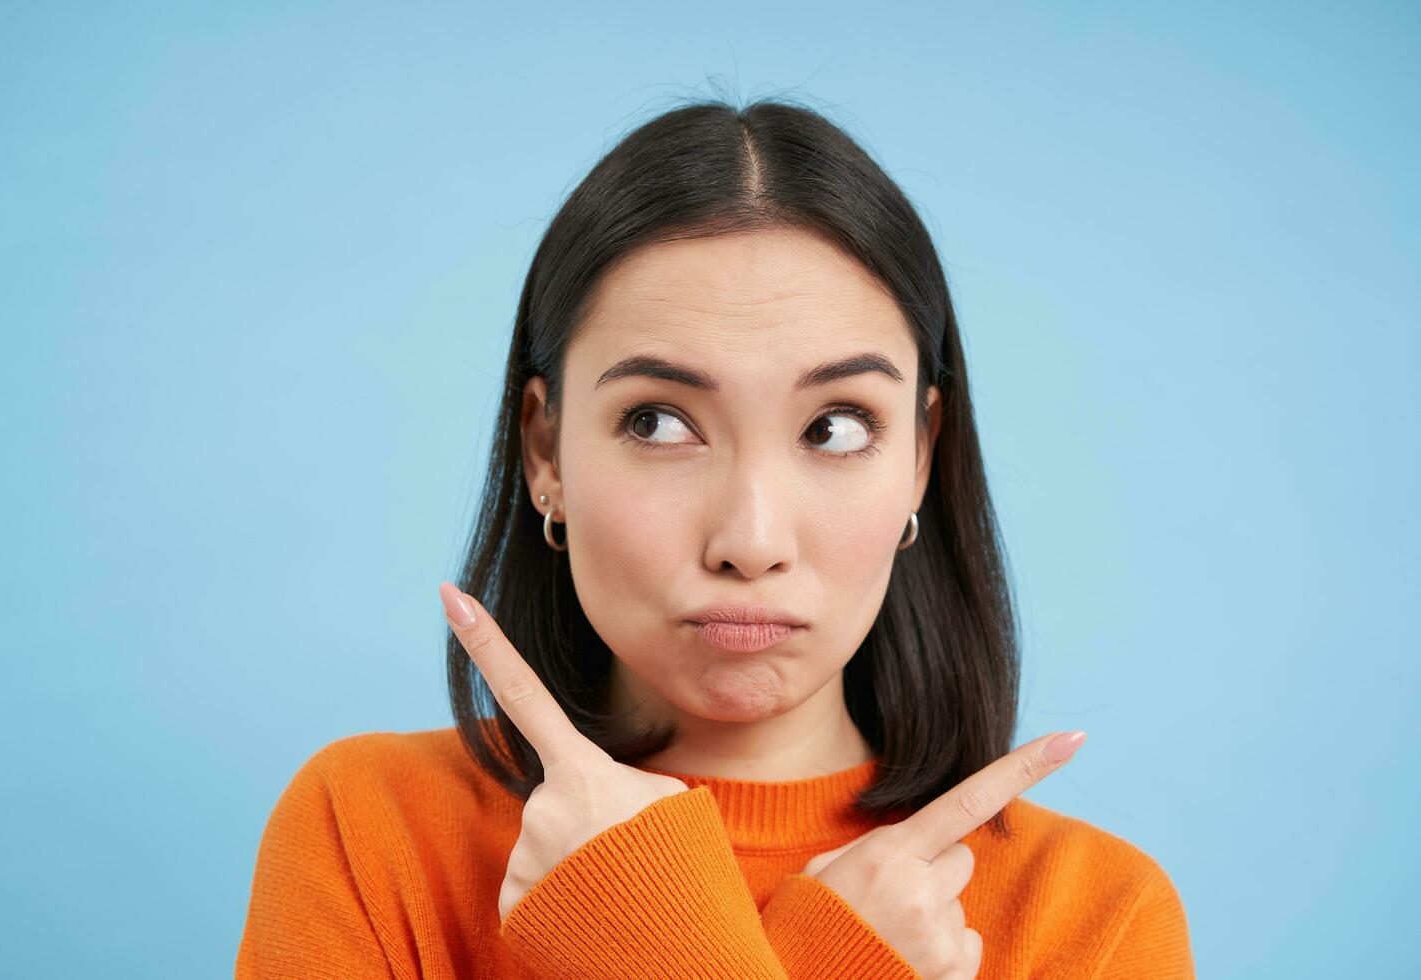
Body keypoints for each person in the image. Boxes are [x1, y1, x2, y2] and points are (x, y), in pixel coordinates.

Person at [235, 97, 1196, 979]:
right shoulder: (375, 832)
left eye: (835, 427)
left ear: (918, 459)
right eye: (659, 422)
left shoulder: (1094, 919)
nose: (750, 539)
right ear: (546, 452)